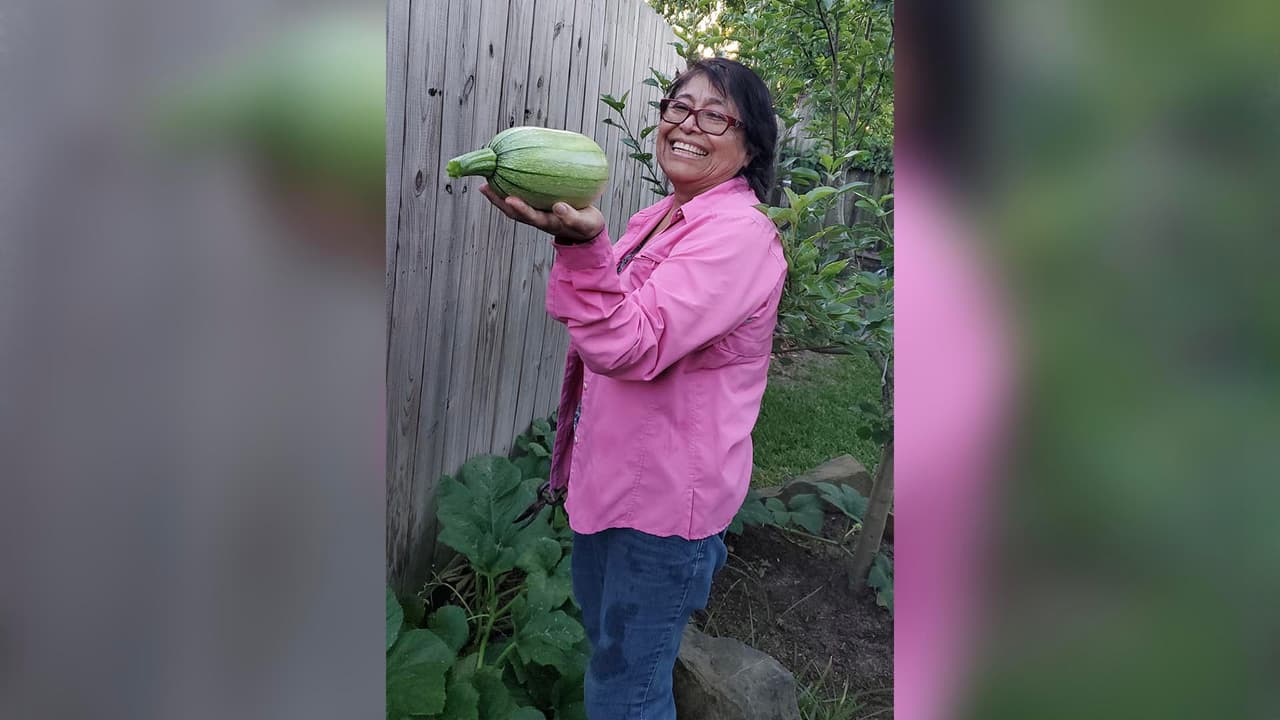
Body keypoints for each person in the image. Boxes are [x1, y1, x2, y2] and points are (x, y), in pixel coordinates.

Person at [479, 57, 782, 720]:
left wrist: (580, 247)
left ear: (749, 143)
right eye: (678, 105)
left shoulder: (738, 237)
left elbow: (628, 343)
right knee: (612, 659)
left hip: (665, 510)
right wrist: (576, 241)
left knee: (626, 692)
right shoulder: (662, 217)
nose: (686, 123)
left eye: (713, 114)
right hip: (615, 485)